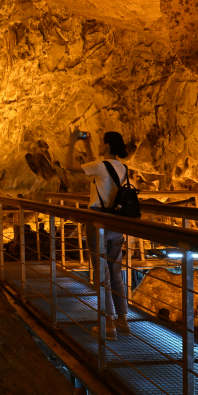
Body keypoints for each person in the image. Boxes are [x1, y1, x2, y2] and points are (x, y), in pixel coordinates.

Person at [65, 127, 130, 340]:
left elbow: (69, 166)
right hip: (116, 222)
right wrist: (88, 145)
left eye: (101, 142)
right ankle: (122, 320)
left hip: (98, 222)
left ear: (107, 146)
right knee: (115, 273)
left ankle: (108, 324)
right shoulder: (122, 167)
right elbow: (95, 169)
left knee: (101, 274)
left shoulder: (100, 166)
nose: (99, 144)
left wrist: (72, 141)